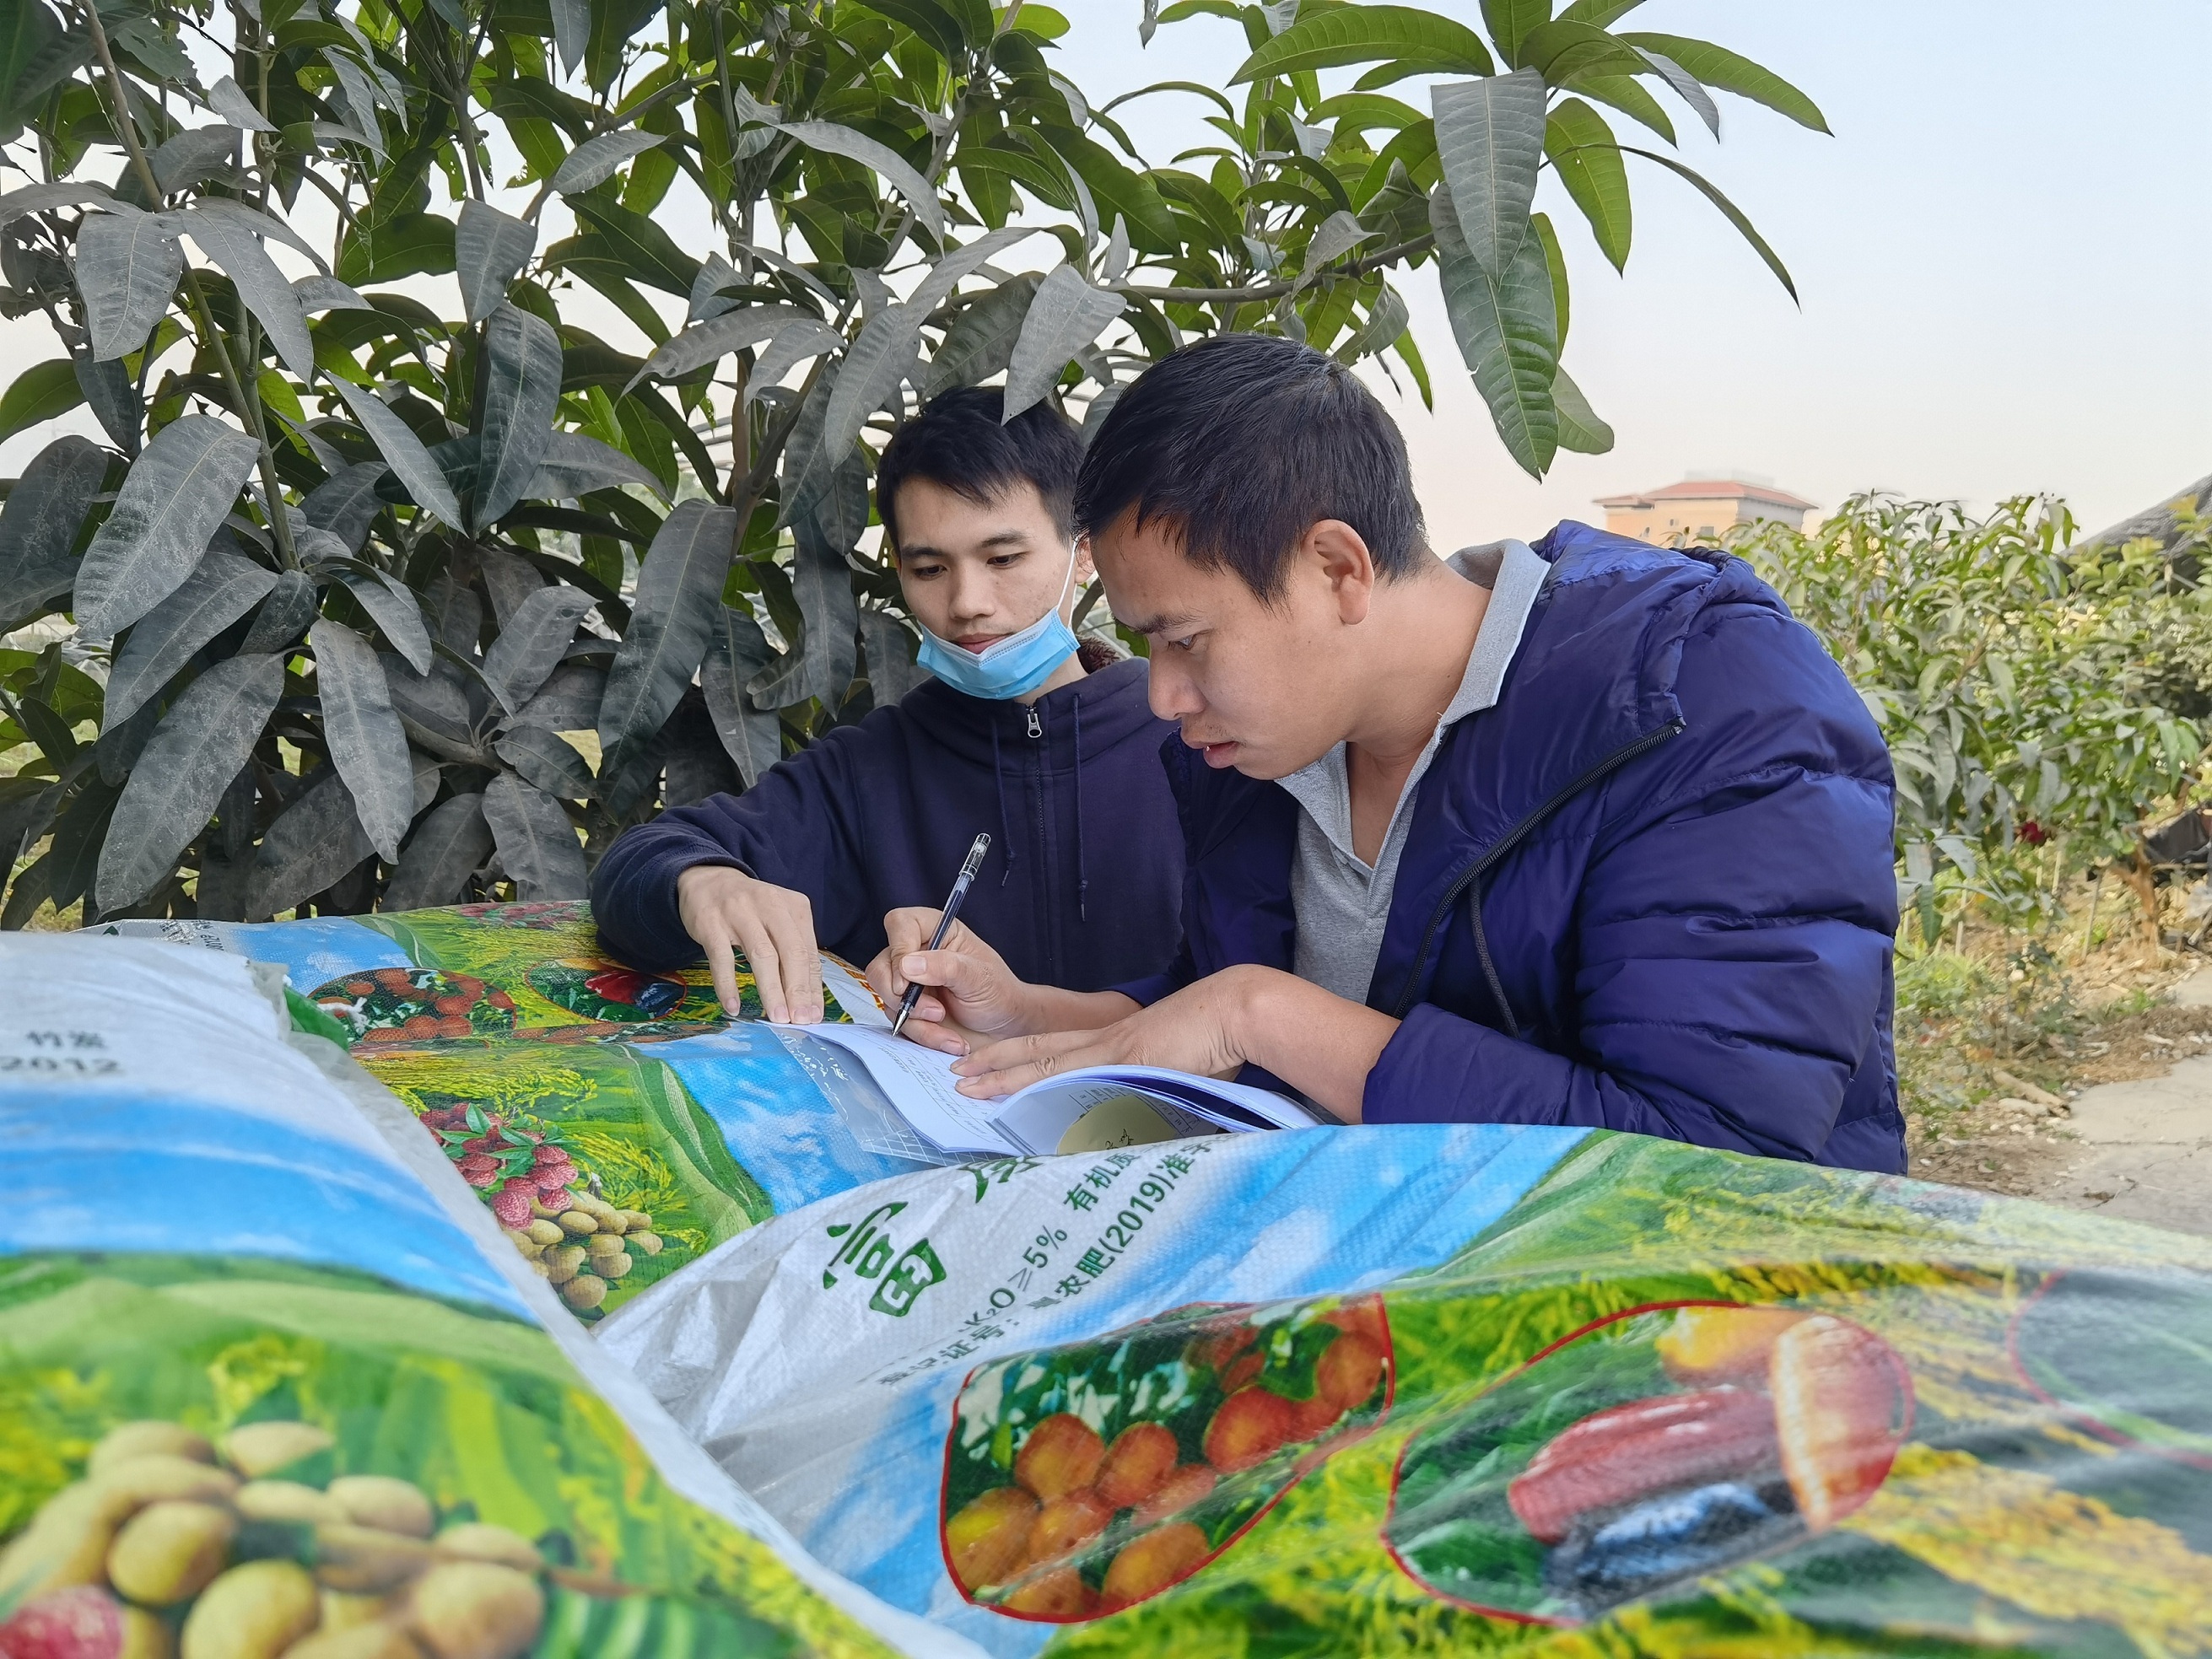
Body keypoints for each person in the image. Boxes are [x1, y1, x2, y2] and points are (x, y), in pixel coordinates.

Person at [871, 335, 1905, 1172]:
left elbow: (1715, 1162)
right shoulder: (1264, 752)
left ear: (1335, 569)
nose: (1163, 693)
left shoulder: (1701, 705)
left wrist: (1262, 1012)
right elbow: (1205, 1008)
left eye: (1185, 639)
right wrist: (1030, 1014)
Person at [591, 386, 1185, 1023]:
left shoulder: (1193, 739)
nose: (967, 602)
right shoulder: (868, 769)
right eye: (929, 569)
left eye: (1003, 557)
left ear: (1084, 549)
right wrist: (703, 881)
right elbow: (638, 863)